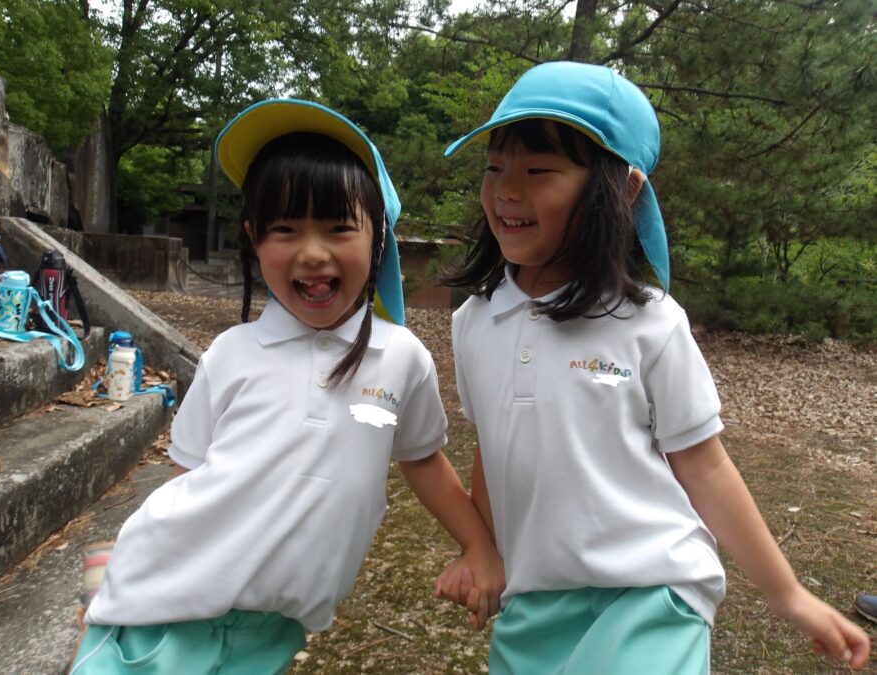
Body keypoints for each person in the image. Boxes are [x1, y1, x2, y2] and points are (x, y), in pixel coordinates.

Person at [436, 61, 871, 673]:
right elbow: (494, 446)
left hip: (651, 592)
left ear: (623, 190)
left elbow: (707, 469)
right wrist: (483, 551)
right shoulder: (473, 323)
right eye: (494, 167)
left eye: (538, 171)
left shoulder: (650, 324)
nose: (506, 190)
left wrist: (789, 595)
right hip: (532, 604)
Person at [70, 99, 504, 674]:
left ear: (377, 236)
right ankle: (112, 578)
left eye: (339, 228)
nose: (312, 253)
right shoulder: (231, 355)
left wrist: (478, 546)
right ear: (253, 236)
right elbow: (185, 482)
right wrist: (128, 575)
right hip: (162, 613)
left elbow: (423, 460)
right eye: (285, 229)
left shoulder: (401, 360)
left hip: (274, 631)